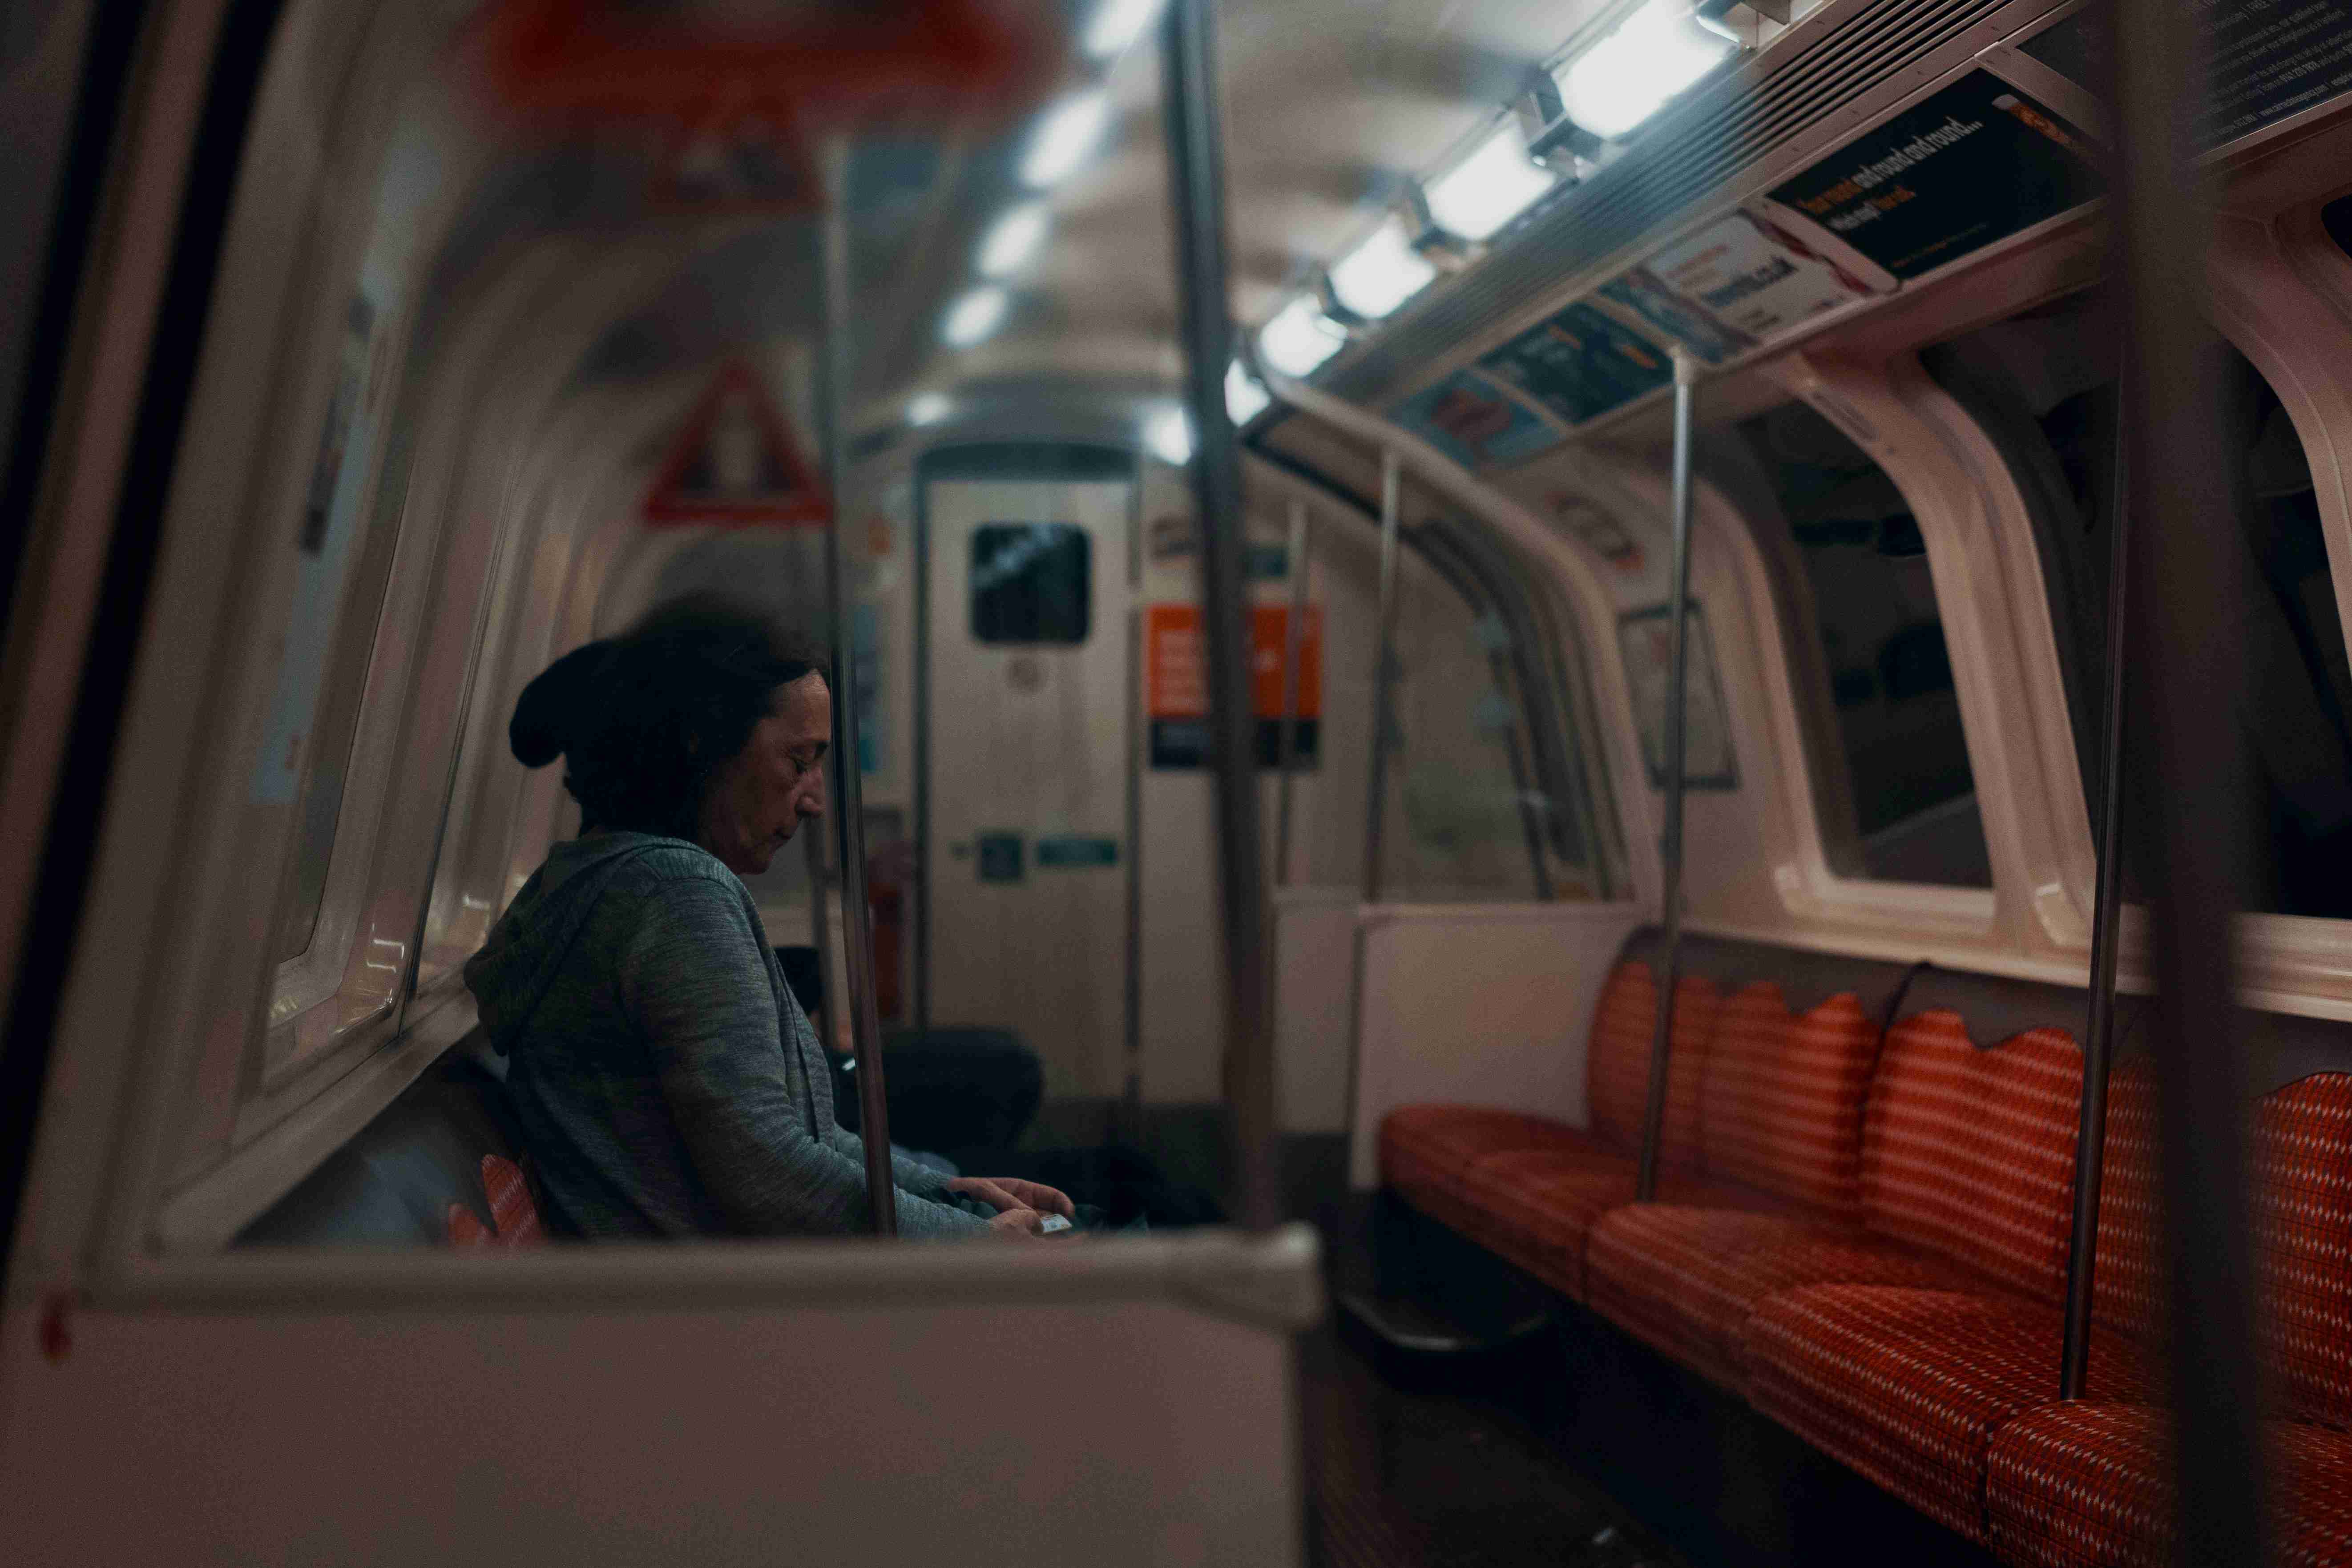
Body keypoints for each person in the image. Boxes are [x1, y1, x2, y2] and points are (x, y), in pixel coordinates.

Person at [463, 597, 1073, 1240]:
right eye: (799, 760)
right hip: (743, 1311)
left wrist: (951, 1194)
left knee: (1071, 1217)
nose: (814, 799)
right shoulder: (674, 892)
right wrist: (972, 1242)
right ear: (704, 742)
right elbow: (766, 1172)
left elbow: (804, 1139)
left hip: (736, 1287)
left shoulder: (598, 880)